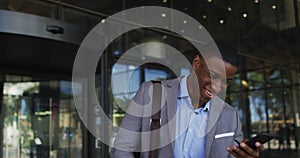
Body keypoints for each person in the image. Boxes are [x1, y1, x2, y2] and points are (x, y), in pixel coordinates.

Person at [111, 40, 264, 158]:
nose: (217, 87)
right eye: (213, 76)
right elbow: (121, 149)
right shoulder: (150, 92)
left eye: (226, 81)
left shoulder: (230, 116)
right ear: (196, 63)